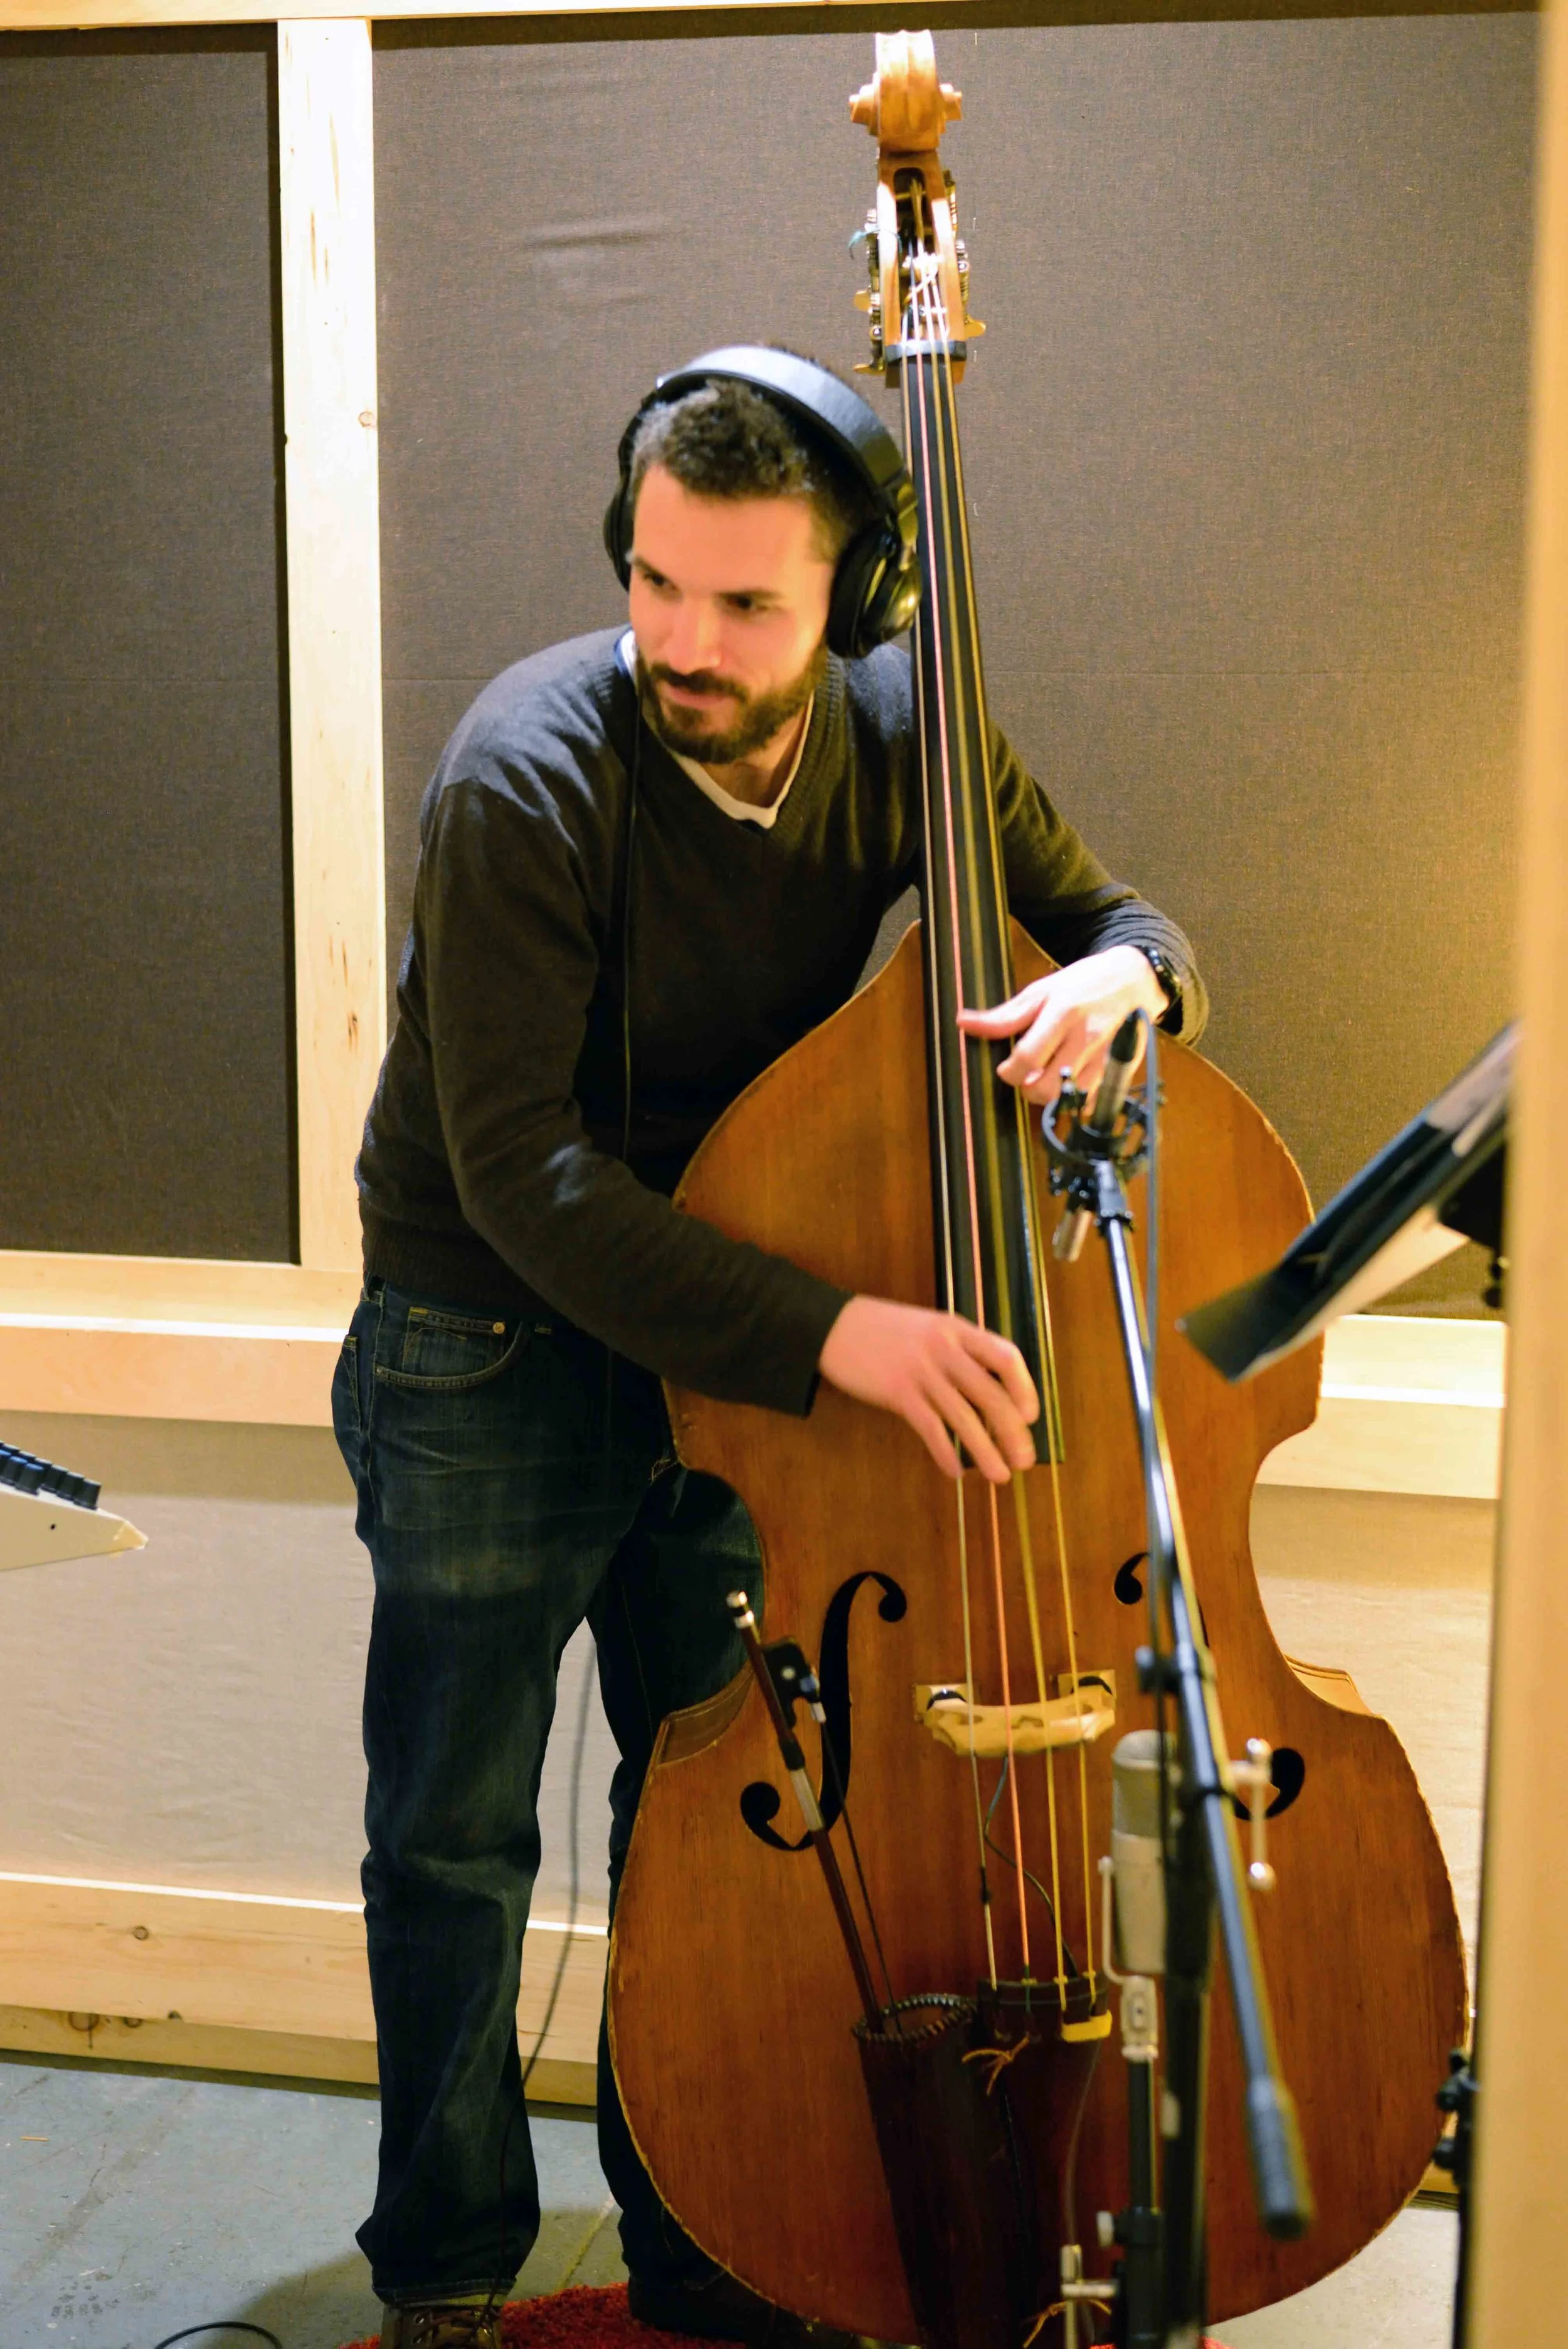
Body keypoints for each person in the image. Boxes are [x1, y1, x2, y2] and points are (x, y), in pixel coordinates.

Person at [332, 349, 1206, 2349]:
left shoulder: (906, 732)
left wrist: (1124, 984)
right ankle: (445, 2276)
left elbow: (1126, 918)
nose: (683, 643)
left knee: (712, 1831)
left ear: (857, 601)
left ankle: (705, 2250)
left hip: (733, 1334)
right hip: (487, 1330)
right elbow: (526, 1176)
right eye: (653, 582)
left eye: (744, 604)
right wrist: (838, 1339)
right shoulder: (519, 776)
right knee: (451, 1840)